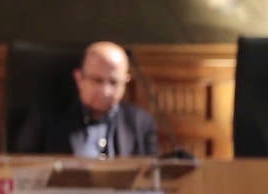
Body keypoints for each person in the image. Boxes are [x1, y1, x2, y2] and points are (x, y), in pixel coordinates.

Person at [12, 41, 159, 158]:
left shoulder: (141, 122)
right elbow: (23, 166)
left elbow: (151, 179)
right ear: (79, 78)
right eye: (97, 80)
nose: (105, 91)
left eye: (114, 82)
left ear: (126, 82)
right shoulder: (45, 117)